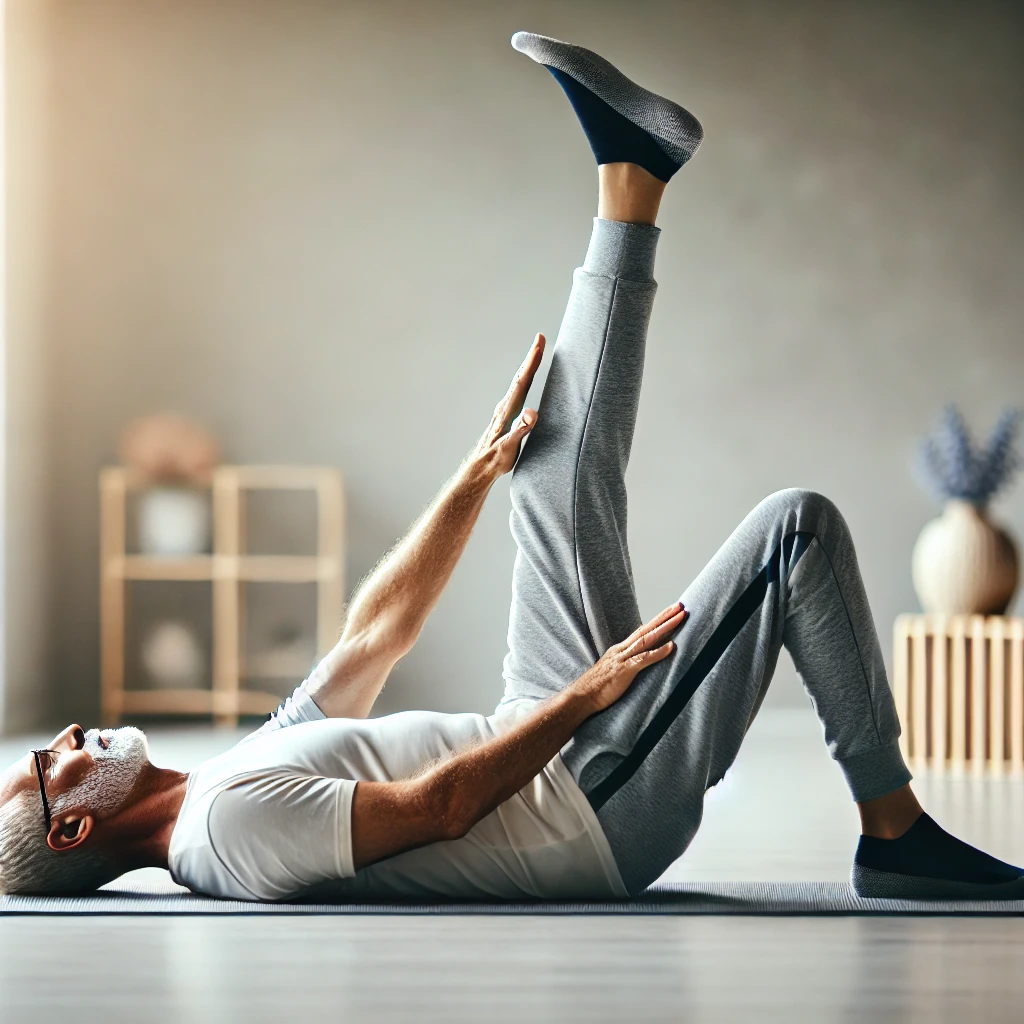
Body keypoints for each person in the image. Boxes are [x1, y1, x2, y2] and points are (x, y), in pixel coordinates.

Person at [2, 31, 1021, 903]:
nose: (72, 734)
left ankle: (636, 174)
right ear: (74, 831)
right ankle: (894, 832)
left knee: (542, 465)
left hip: (535, 738)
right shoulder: (224, 834)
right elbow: (435, 808)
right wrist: (583, 697)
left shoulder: (227, 781)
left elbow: (376, 631)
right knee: (794, 529)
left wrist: (471, 475)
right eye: (53, 766)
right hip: (589, 813)